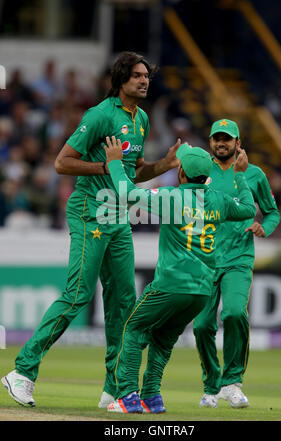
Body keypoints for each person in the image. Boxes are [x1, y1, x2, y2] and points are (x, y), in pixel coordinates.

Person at [1, 51, 181, 408]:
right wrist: (105, 166)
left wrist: (163, 165)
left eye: (147, 76)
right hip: (90, 213)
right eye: (138, 76)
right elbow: (61, 162)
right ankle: (22, 371)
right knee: (78, 294)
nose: (145, 81)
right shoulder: (100, 115)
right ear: (121, 80)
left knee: (124, 303)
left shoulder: (141, 118)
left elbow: (133, 170)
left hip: (119, 218)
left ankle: (114, 389)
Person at [102, 136, 256, 413]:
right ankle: (151, 397)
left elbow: (126, 194)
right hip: (200, 292)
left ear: (181, 173)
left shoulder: (171, 197)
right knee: (162, 340)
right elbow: (247, 209)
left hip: (170, 285)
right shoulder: (219, 201)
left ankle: (127, 396)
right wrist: (241, 176)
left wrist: (114, 164)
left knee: (133, 329)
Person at [193, 119, 281, 408]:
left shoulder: (253, 174)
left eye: (227, 139)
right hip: (204, 259)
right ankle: (211, 386)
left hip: (238, 258)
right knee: (202, 325)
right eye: (217, 138)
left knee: (232, 313)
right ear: (210, 142)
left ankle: (232, 383)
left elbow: (272, 213)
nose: (222, 143)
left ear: (237, 143)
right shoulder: (199, 171)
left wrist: (263, 227)